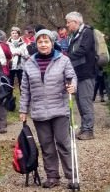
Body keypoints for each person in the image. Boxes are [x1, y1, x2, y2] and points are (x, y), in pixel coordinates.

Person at [19, 29, 77, 189]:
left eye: (46, 41)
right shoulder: (29, 63)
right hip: (39, 111)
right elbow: (25, 89)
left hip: (60, 109)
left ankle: (72, 175)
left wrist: (73, 86)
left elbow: (72, 77)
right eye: (40, 42)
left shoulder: (63, 60)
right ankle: (52, 176)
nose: (43, 44)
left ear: (52, 43)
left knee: (63, 143)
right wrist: (23, 110)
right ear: (36, 44)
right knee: (46, 145)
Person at [66, 11, 96, 140]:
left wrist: (67, 57)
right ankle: (84, 128)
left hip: (87, 73)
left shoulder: (87, 32)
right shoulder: (74, 35)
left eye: (68, 22)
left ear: (76, 22)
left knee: (85, 102)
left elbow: (83, 49)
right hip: (78, 73)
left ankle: (88, 130)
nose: (67, 25)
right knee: (80, 102)